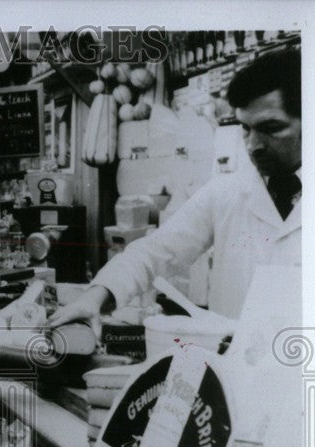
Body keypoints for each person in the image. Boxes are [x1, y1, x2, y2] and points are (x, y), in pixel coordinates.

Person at [50, 49, 302, 329]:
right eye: (245, 129)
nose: (253, 145)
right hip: (235, 367)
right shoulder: (227, 192)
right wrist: (95, 296)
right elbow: (156, 250)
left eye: (272, 128)